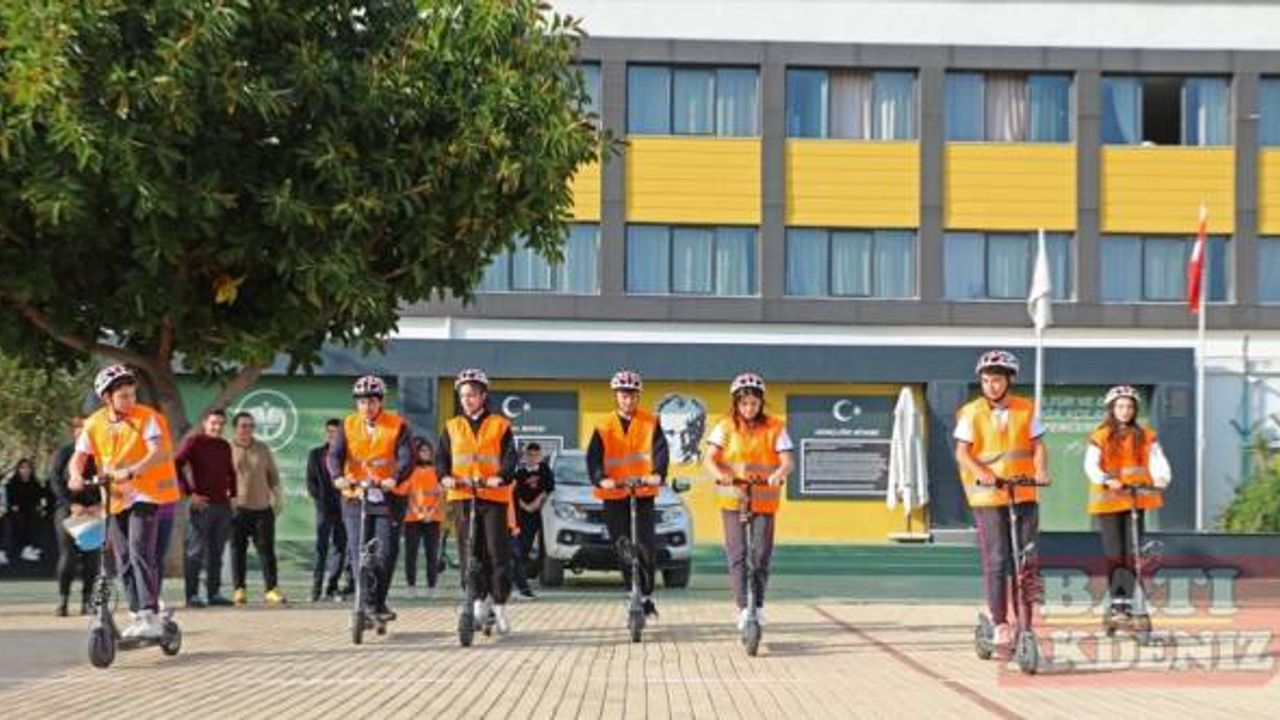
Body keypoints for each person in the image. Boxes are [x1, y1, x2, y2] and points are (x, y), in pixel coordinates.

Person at [69, 364, 182, 640]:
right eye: (123, 396)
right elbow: (79, 456)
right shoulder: (94, 423)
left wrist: (132, 470)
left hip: (147, 494)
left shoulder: (148, 418)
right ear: (106, 398)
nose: (130, 400)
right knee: (123, 559)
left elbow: (157, 452)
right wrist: (74, 475)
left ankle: (149, 612)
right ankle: (137, 613)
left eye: (132, 394)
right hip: (116, 498)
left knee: (139, 550)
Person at [954, 349, 1050, 649]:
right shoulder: (971, 412)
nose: (990, 386)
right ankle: (1000, 623)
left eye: (996, 380)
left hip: (1023, 492)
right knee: (997, 560)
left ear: (1009, 380)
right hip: (988, 496)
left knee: (1026, 560)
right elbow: (962, 452)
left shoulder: (1026, 408)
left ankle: (1026, 624)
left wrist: (1042, 471)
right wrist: (981, 473)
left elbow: (1037, 447)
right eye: (985, 381)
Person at [703, 373, 794, 630]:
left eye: (754, 403)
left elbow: (787, 461)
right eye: (744, 404)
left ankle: (759, 605)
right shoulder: (725, 426)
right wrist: (721, 474)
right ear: (736, 403)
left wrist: (778, 474)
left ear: (761, 403)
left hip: (764, 498)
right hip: (733, 497)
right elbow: (710, 458)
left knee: (761, 554)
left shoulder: (775, 426)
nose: (749, 408)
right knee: (738, 554)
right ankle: (744, 607)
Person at [437, 368, 518, 635]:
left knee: (496, 552)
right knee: (468, 551)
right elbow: (442, 459)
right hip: (462, 496)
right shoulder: (452, 427)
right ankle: (473, 599)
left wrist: (500, 477)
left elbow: (509, 459)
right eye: (463, 395)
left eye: (472, 394)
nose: (467, 399)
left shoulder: (500, 425)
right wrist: (444, 477)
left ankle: (499, 605)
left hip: (492, 497)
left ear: (483, 396)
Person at [1084, 385, 1172, 625]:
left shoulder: (1146, 435)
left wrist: (1162, 478)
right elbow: (1091, 465)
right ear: (1112, 409)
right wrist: (1105, 479)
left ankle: (1134, 601)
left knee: (1133, 553)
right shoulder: (1100, 435)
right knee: (1115, 553)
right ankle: (1118, 602)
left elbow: (1157, 461)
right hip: (1109, 501)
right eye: (1120, 406)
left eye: (1130, 406)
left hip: (1135, 499)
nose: (1125, 410)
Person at [328, 375, 413, 624]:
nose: (367, 406)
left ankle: (377, 602)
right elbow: (334, 455)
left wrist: (394, 478)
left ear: (381, 402)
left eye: (372, 401)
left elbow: (407, 458)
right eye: (362, 402)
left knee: (385, 552)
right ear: (357, 404)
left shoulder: (398, 425)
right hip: (356, 496)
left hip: (388, 497)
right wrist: (337, 477)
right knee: (357, 552)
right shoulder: (348, 425)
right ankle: (363, 604)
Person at [586, 370, 668, 620]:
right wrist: (602, 478)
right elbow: (594, 459)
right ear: (616, 397)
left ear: (638, 397)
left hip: (643, 492)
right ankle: (630, 590)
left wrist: (658, 473)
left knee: (645, 547)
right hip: (614, 493)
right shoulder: (603, 425)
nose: (628, 400)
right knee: (623, 545)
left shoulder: (650, 422)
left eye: (632, 395)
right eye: (623, 395)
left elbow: (660, 452)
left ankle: (645, 596)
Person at [175, 408, 237, 608]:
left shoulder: (224, 446)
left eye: (221, 423)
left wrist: (234, 496)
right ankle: (191, 595)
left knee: (216, 553)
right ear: (205, 423)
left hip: (223, 506)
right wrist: (189, 494)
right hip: (202, 506)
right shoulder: (194, 442)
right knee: (195, 552)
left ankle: (214, 593)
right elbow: (176, 465)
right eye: (213, 423)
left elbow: (231, 473)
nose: (217, 427)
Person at [229, 411, 286, 606]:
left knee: (267, 551)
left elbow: (274, 477)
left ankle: (271, 589)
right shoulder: (227, 448)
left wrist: (278, 499)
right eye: (244, 426)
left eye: (251, 426)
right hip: (237, 509)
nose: (248, 429)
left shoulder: (262, 448)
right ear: (235, 428)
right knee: (238, 551)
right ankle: (239, 589)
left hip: (262, 508)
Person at [49, 419, 102, 616]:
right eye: (82, 430)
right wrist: (71, 505)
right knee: (68, 556)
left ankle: (87, 600)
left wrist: (99, 505)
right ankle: (63, 600)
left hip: (93, 511)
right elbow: (54, 482)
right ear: (74, 432)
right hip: (69, 510)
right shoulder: (64, 453)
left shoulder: (99, 455)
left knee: (92, 557)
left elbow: (108, 482)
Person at [307, 418, 351, 602]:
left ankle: (331, 588)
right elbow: (311, 483)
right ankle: (315, 590)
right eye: (330, 432)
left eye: (337, 432)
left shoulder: (348, 455)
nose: (334, 435)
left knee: (340, 548)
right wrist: (320, 501)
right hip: (324, 508)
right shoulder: (315, 454)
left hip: (343, 507)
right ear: (326, 433)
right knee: (321, 548)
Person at [397, 438, 443, 598]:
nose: (426, 454)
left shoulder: (438, 471)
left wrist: (431, 513)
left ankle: (432, 587)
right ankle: (411, 586)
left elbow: (441, 496)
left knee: (432, 554)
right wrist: (418, 513)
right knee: (411, 554)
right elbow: (407, 496)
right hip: (412, 519)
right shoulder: (410, 472)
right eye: (423, 451)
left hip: (433, 518)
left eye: (428, 451)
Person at [510, 443, 554, 600]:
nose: (533, 457)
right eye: (530, 454)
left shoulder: (545, 470)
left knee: (535, 546)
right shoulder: (519, 473)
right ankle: (517, 581)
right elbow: (514, 494)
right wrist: (525, 506)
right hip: (522, 514)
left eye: (536, 455)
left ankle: (523, 578)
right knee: (521, 546)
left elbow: (548, 488)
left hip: (540, 513)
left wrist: (536, 503)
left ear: (540, 456)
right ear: (525, 456)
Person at [4, 458, 48, 563]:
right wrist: (14, 507)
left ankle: (30, 546)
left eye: (28, 467)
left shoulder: (35, 483)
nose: (25, 470)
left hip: (31, 510)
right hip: (17, 510)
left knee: (36, 516)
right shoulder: (12, 483)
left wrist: (41, 506)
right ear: (18, 469)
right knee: (22, 518)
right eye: (22, 468)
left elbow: (40, 497)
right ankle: (26, 548)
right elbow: (11, 500)